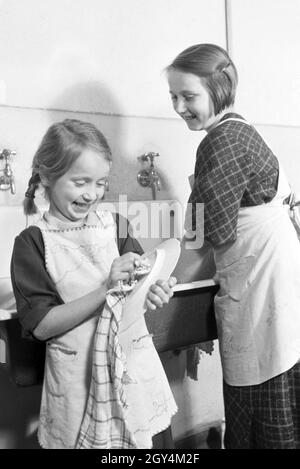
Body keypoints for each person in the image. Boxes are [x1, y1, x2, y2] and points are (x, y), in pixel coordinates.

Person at [10, 118, 177, 449]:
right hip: (79, 384)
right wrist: (105, 290)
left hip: (133, 372)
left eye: (101, 183)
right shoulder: (33, 243)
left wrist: (154, 290)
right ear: (46, 176)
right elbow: (42, 326)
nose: (92, 194)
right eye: (80, 182)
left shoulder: (116, 226)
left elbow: (135, 292)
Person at [166, 43, 300, 449]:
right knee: (280, 385)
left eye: (188, 96)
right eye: (173, 96)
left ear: (219, 89)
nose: (178, 107)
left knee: (262, 394)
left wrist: (161, 271)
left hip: (261, 285)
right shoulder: (239, 130)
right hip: (275, 278)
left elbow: (210, 233)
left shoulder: (220, 142)